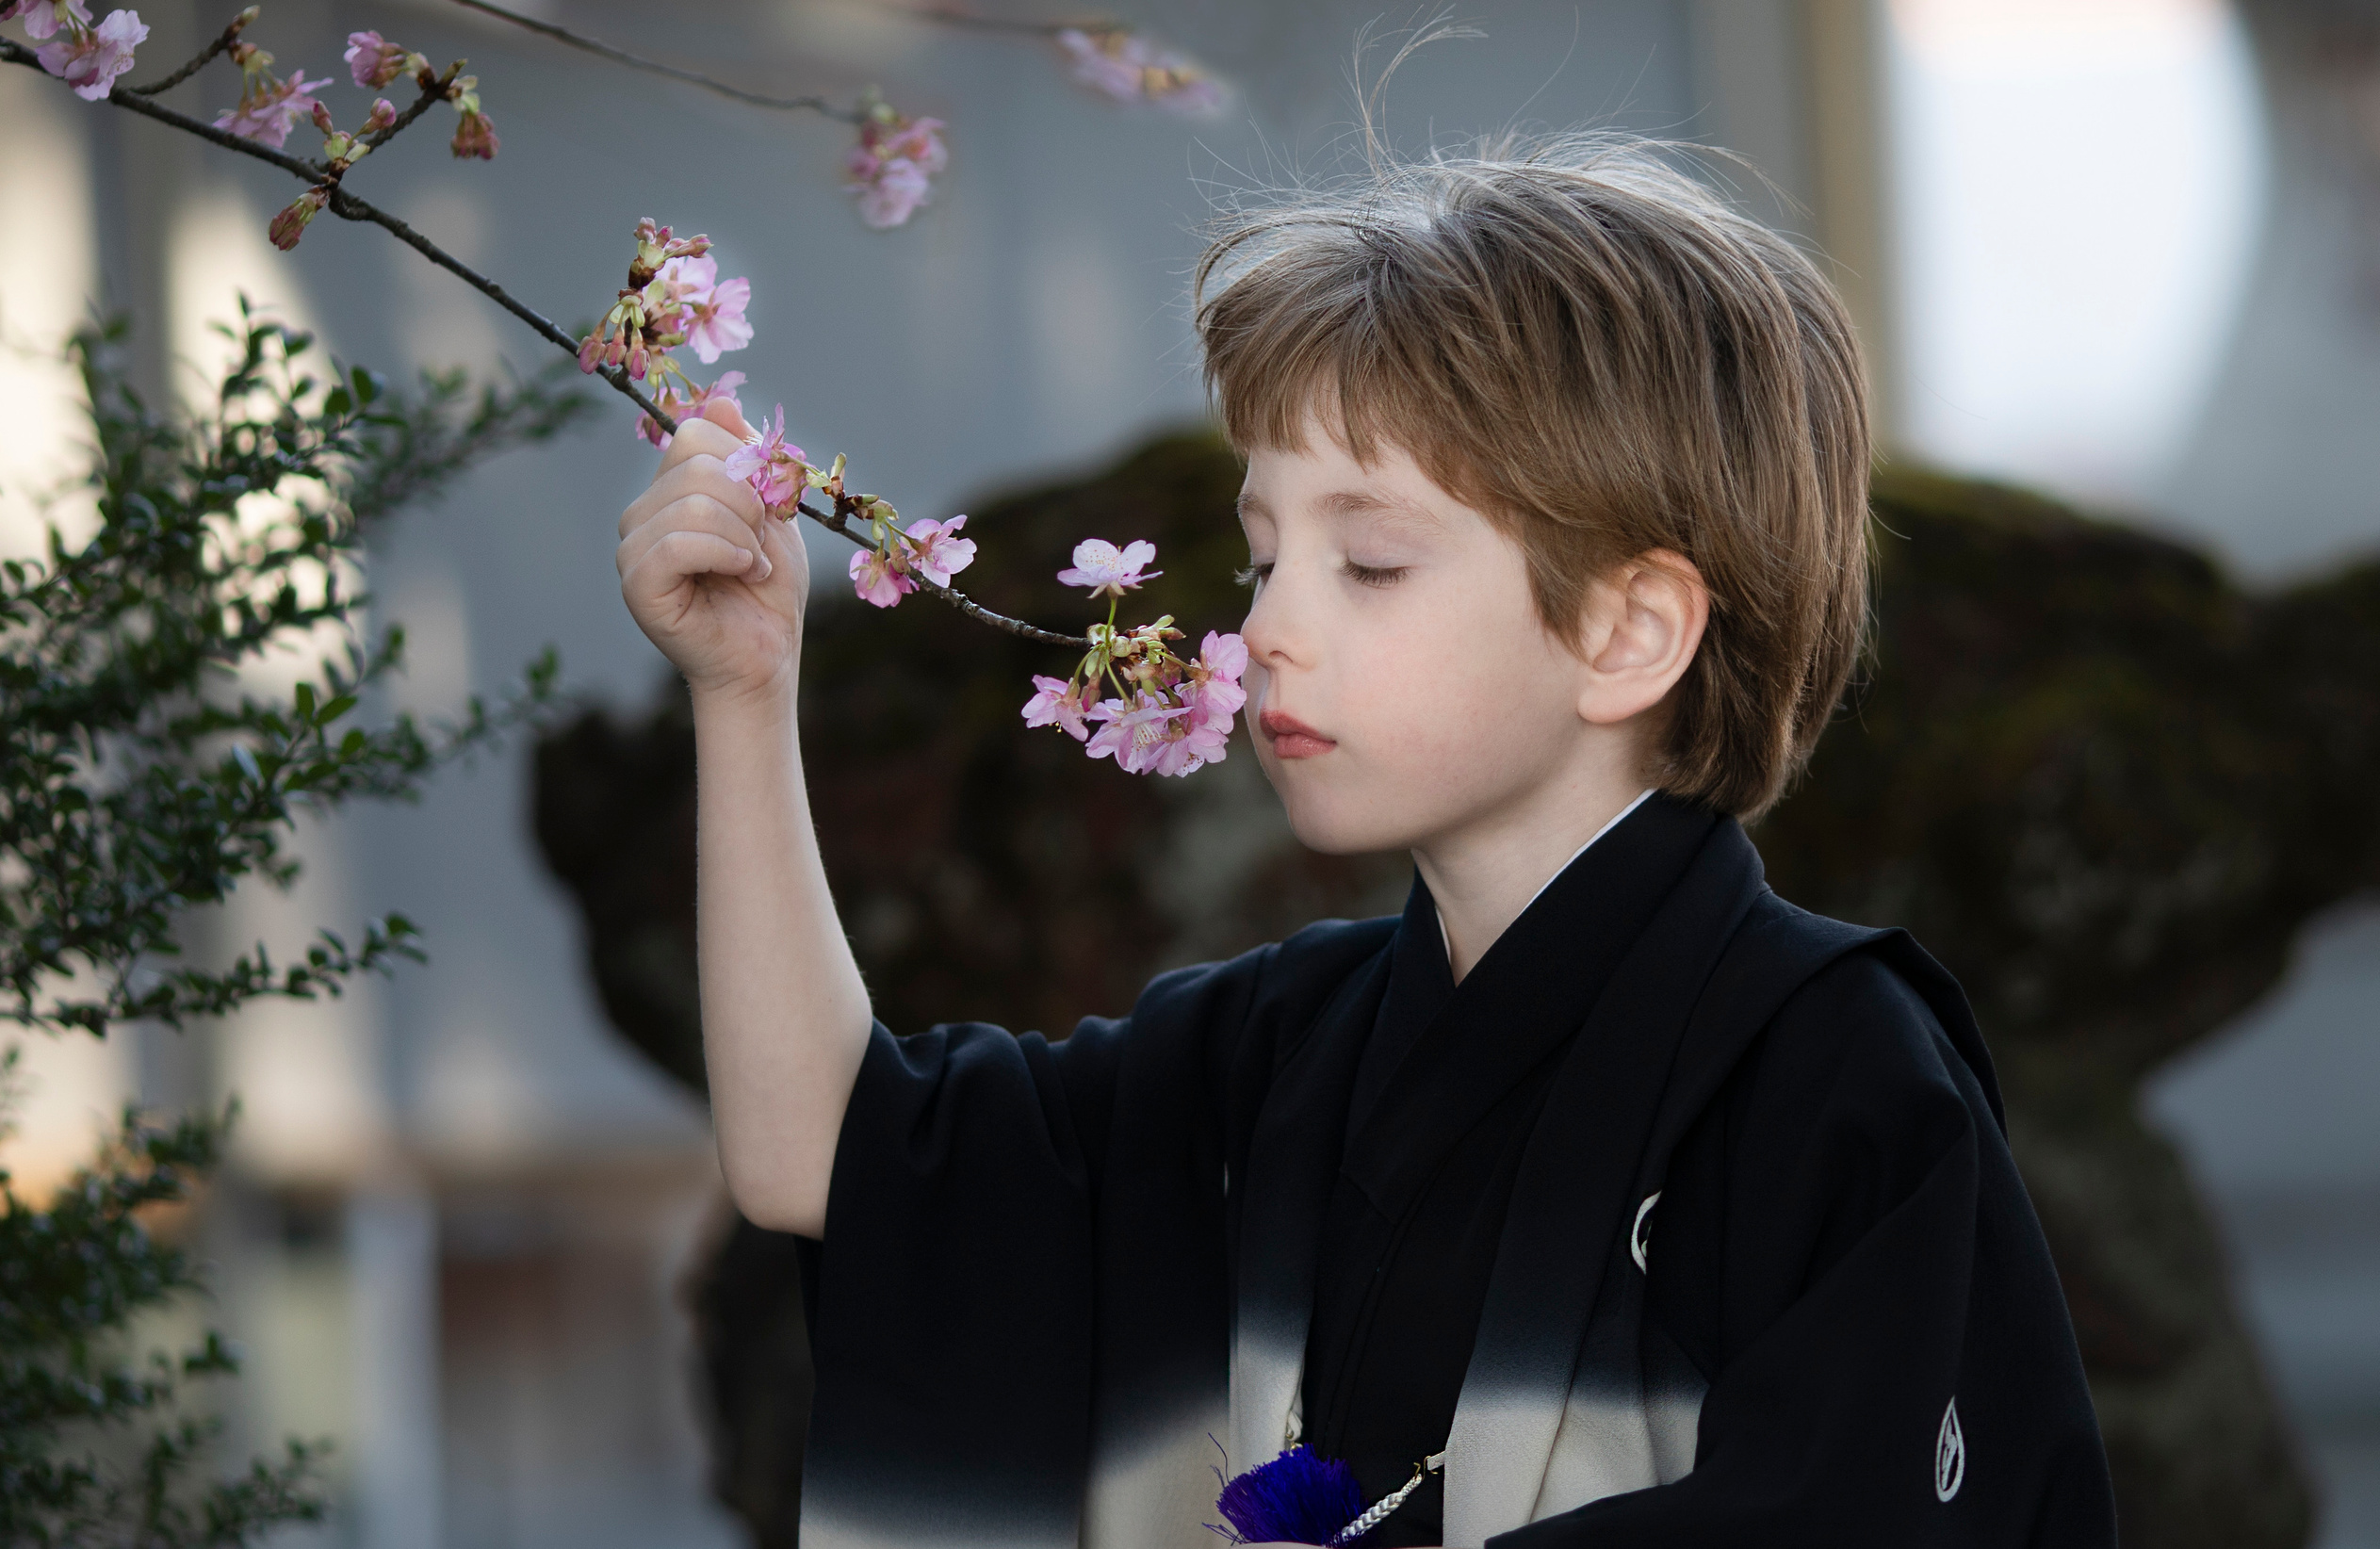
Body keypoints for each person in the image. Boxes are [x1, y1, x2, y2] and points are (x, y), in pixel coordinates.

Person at [611, 135, 2116, 1548]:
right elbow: (832, 1156)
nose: (1268, 631)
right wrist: (748, 697)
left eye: (1371, 561)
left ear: (1631, 628)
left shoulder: (1832, 1079)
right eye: (1264, 557)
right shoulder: (1270, 1055)